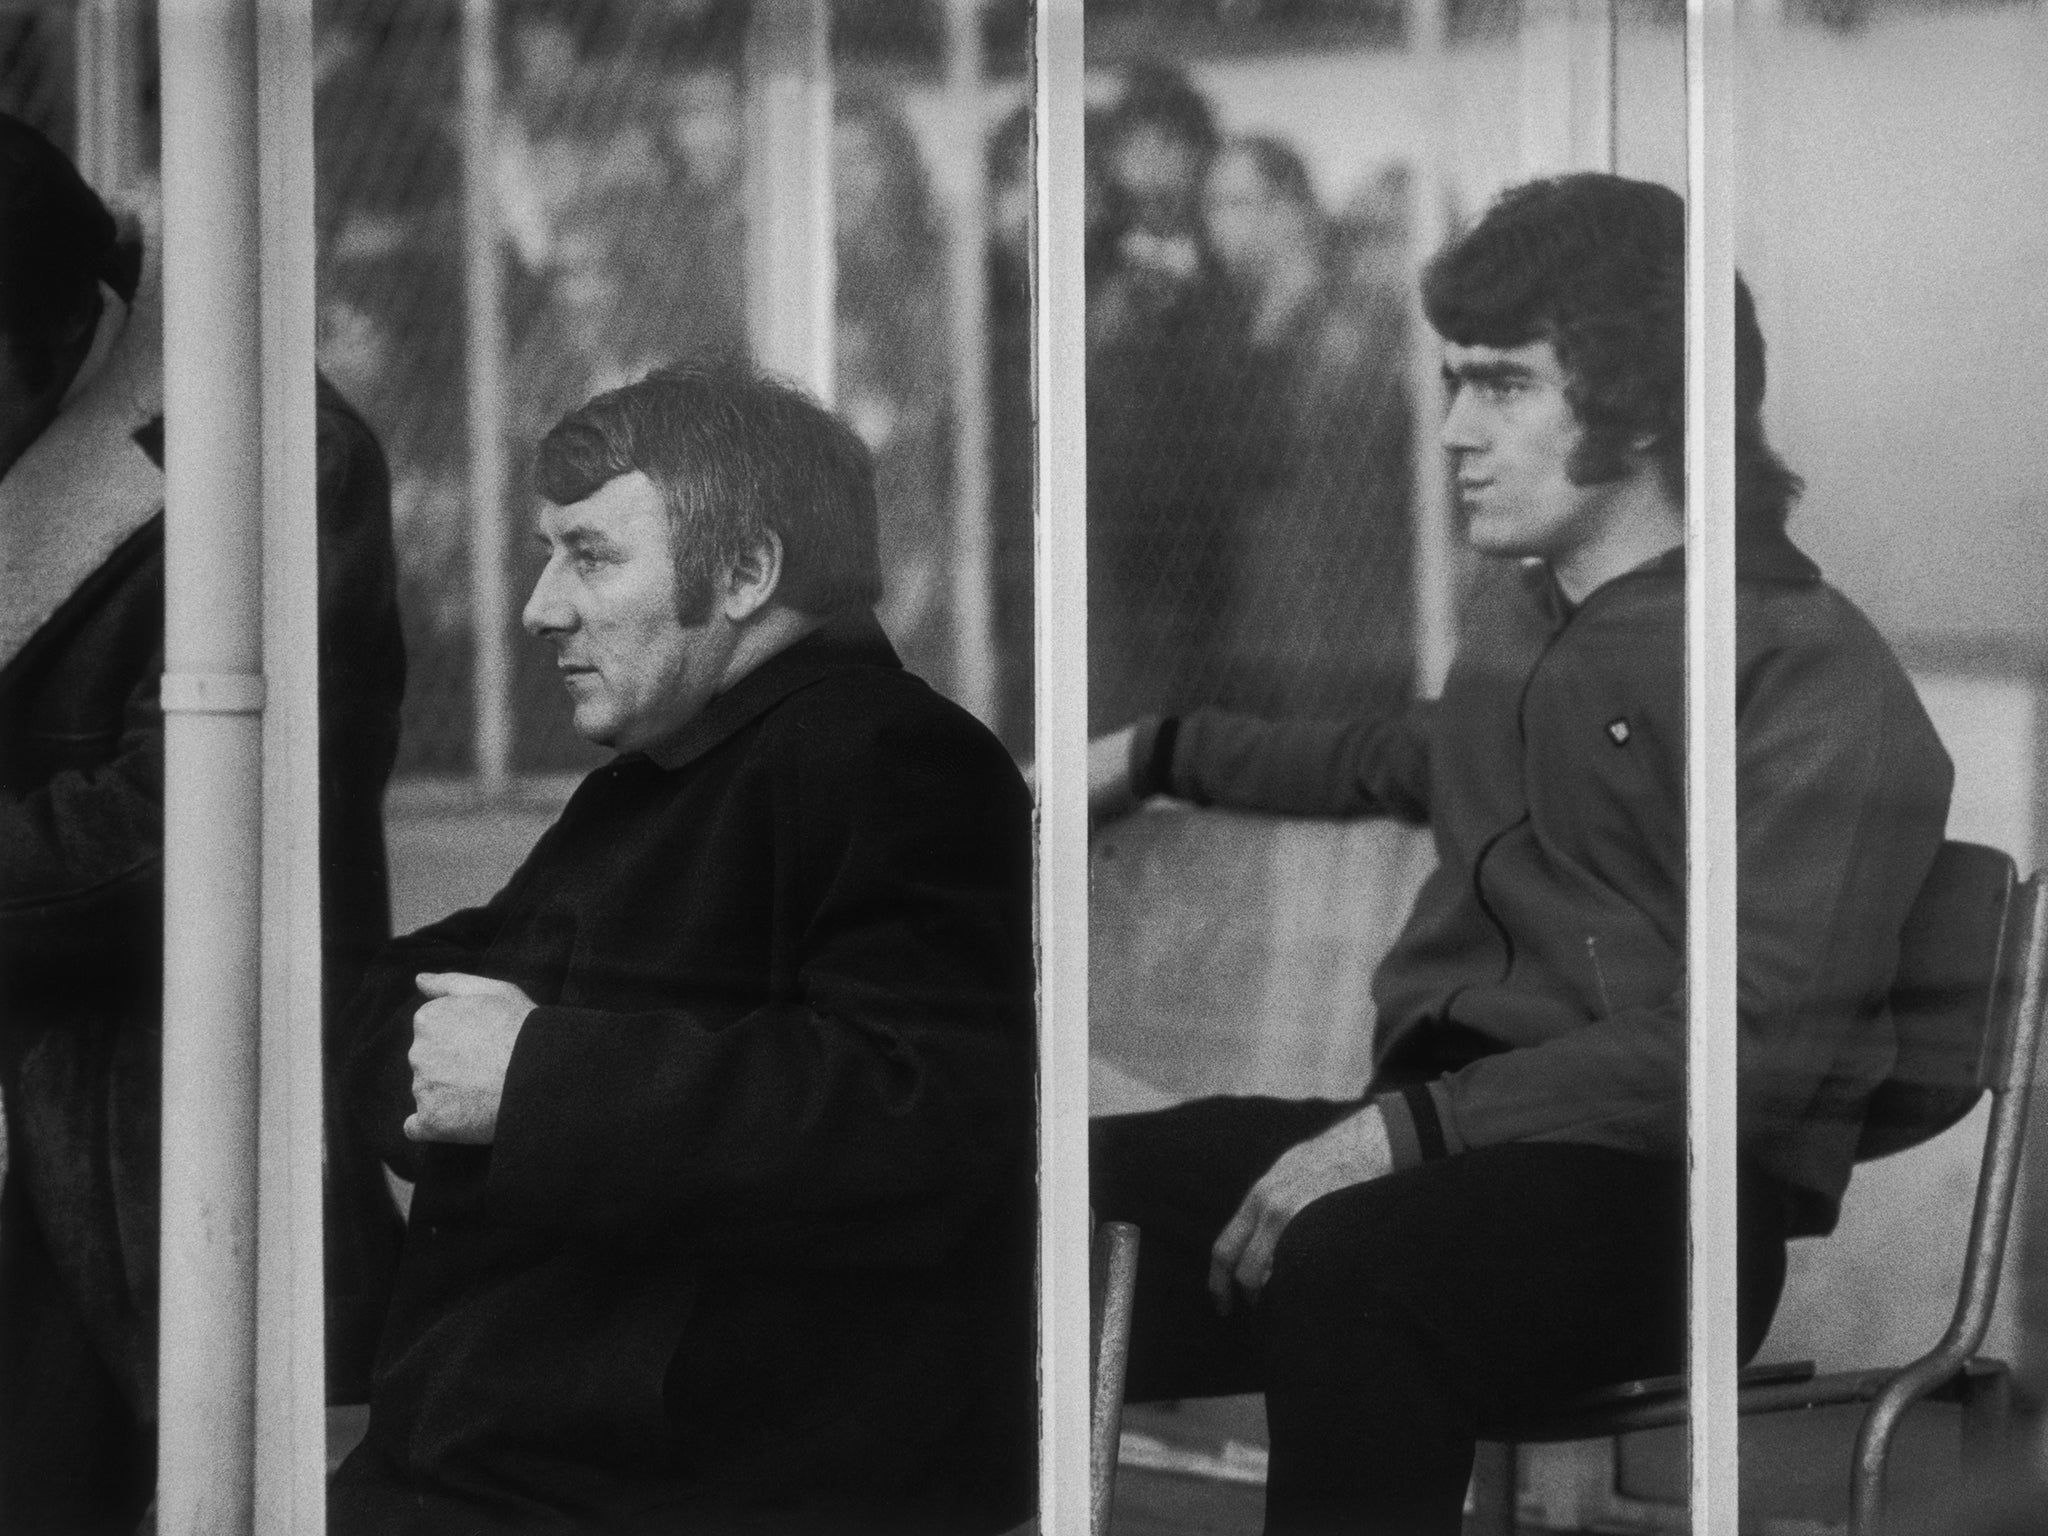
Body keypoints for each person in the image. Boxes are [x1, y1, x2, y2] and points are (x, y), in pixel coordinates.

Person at [1089, 173, 1954, 1535]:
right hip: (1440, 1151)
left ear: (1652, 402)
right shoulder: (1526, 624)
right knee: (1057, 1198)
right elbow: (1395, 756)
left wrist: (1407, 1129)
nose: (1450, 431)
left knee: (1355, 1265)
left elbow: (1751, 1039)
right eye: (1452, 383)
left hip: (1665, 1206)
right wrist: (1149, 755)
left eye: (1499, 386)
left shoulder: (1815, 676)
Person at [330, 362, 1036, 1535]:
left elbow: (924, 1119)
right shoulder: (667, 773)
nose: (540, 607)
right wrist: (479, 1078)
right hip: (527, 1455)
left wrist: (532, 1081)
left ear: (749, 570)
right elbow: (409, 1000)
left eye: (592, 556)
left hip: (681, 1482)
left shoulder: (890, 756)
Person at [0, 113, 407, 1534]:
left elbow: (183, 839)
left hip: (127, 1169)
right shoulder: (49, 382)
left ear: (67, 333)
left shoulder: (276, 461)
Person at [1199, 134, 1414, 721]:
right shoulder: (1233, 323)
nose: (1215, 224)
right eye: (1211, 205)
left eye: (1234, 203)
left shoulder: (1349, 326)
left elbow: (1314, 455)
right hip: (1266, 616)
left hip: (1345, 619)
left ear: (1290, 210)